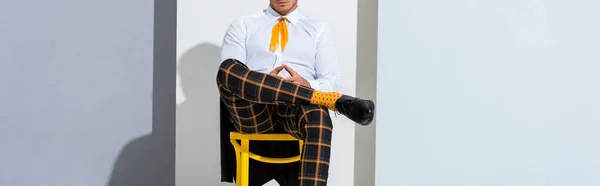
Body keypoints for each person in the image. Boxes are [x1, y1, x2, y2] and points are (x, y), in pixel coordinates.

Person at [216, 0, 375, 185]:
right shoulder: (243, 24)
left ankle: (310, 95)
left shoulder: (319, 29)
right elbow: (233, 76)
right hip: (255, 111)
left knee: (319, 116)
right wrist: (266, 82)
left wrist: (306, 83)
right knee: (227, 69)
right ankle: (330, 100)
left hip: (297, 112)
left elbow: (332, 81)